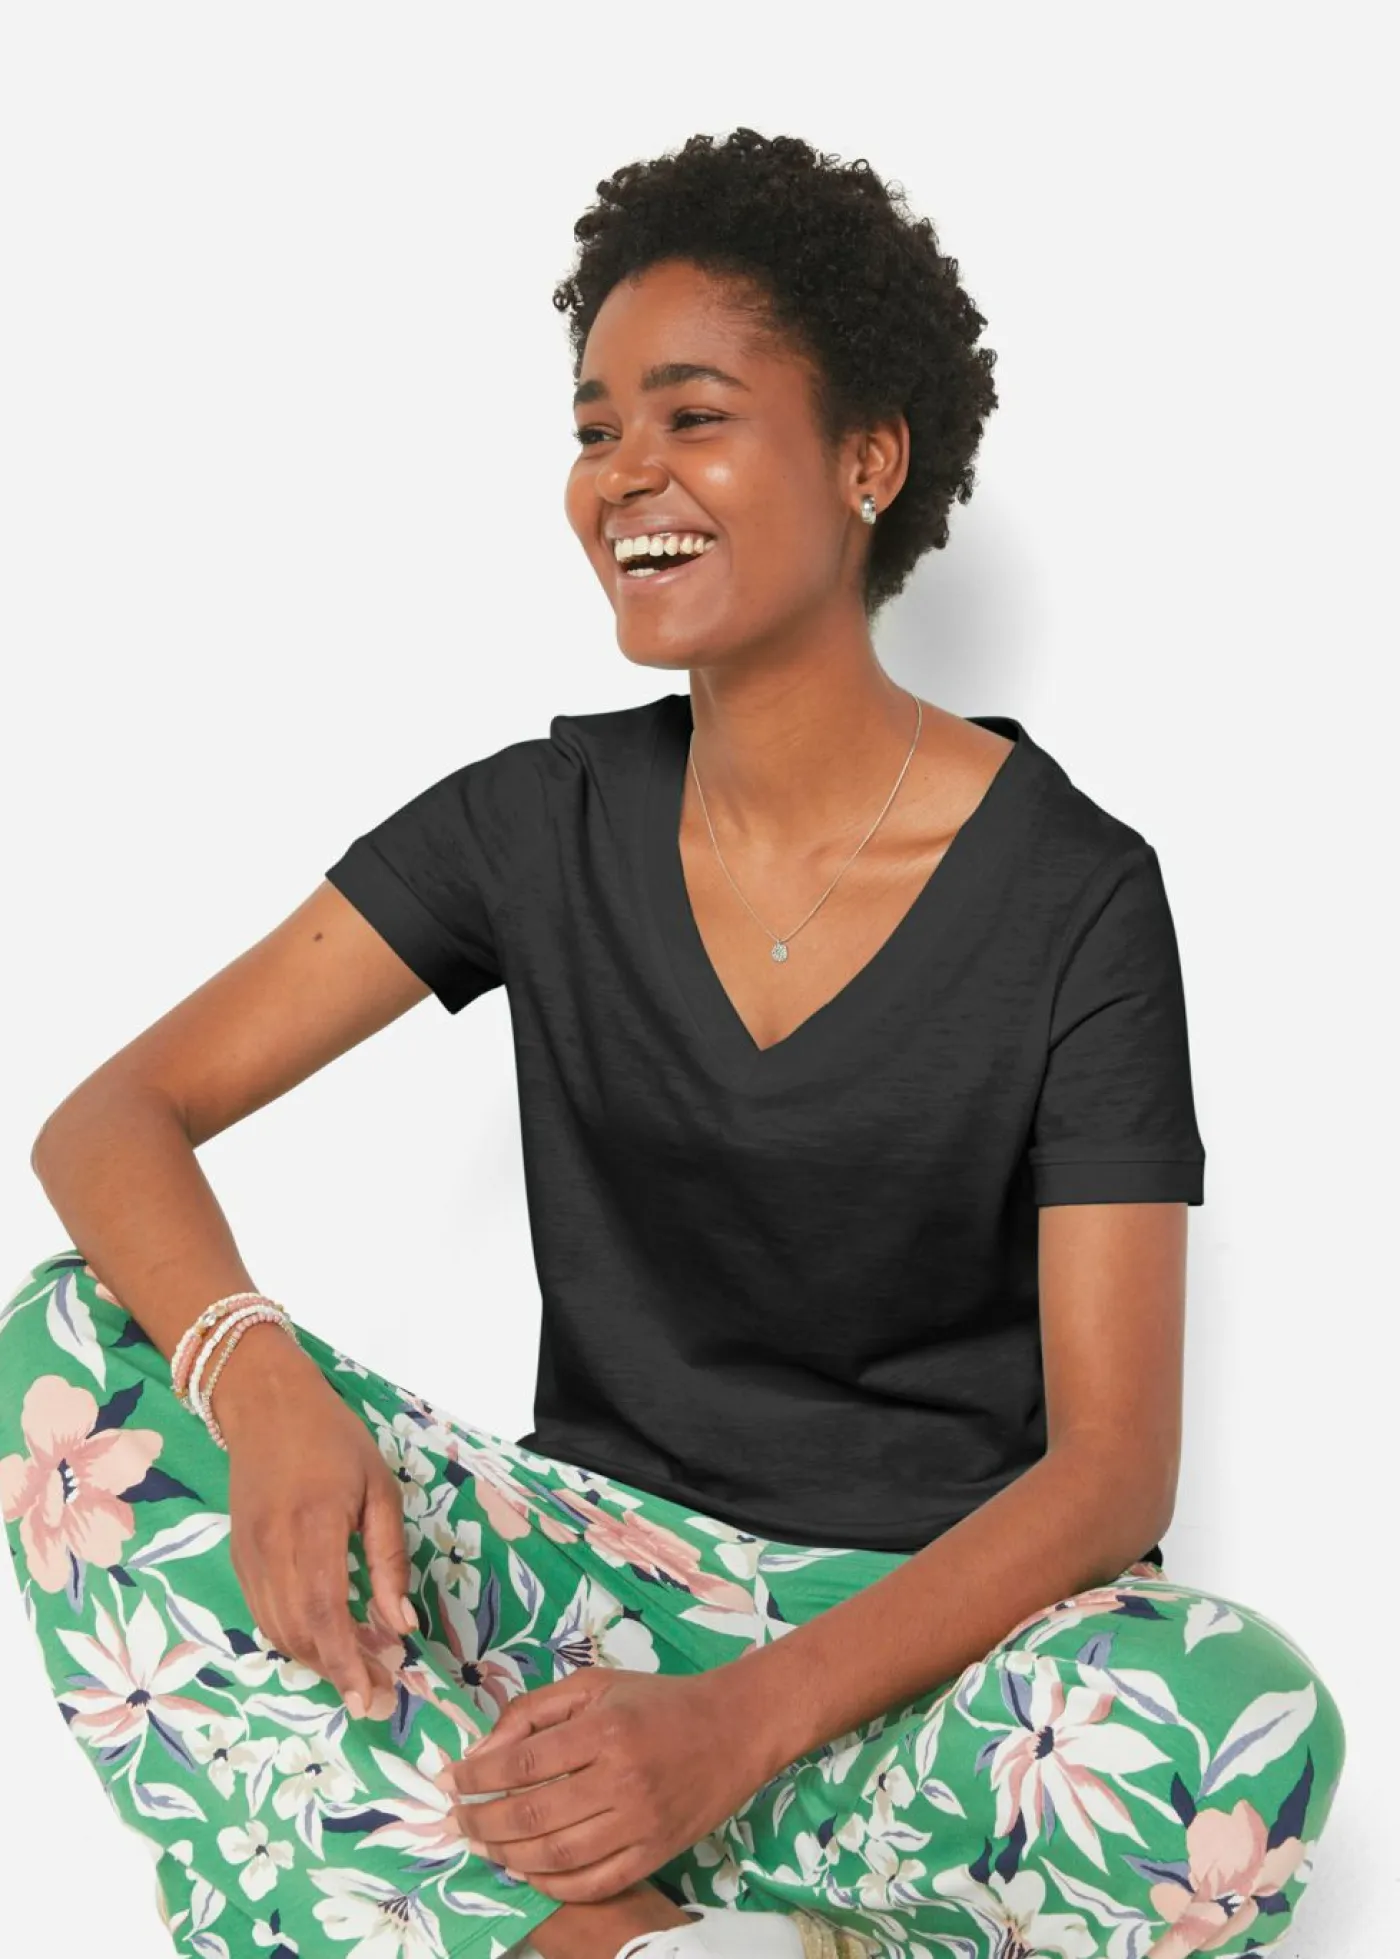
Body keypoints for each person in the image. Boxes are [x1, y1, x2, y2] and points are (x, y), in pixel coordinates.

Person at [1, 127, 1345, 1959]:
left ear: (868, 460)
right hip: (573, 1621)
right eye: (594, 428)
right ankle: (617, 1934)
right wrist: (263, 1385)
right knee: (73, 1346)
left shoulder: (1078, 893)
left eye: (691, 415)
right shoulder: (532, 823)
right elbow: (113, 1117)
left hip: (915, 1668)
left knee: (1236, 1727)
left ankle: (502, 1894)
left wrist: (732, 1728)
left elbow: (1113, 1474)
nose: (624, 472)